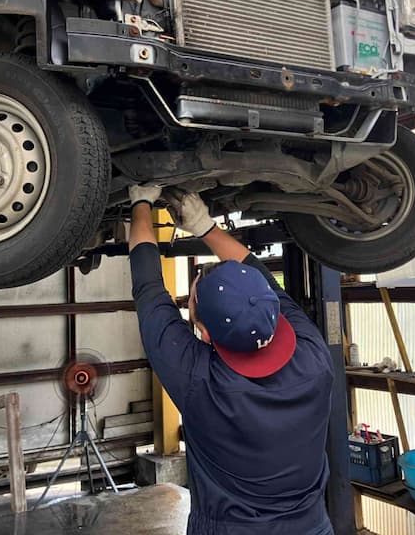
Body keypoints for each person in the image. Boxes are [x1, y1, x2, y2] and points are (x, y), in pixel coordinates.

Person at [128, 185, 335, 535]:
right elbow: (148, 289)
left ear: (205, 333)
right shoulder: (314, 356)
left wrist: (142, 199)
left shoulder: (201, 381)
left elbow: (150, 286)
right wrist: (146, 206)